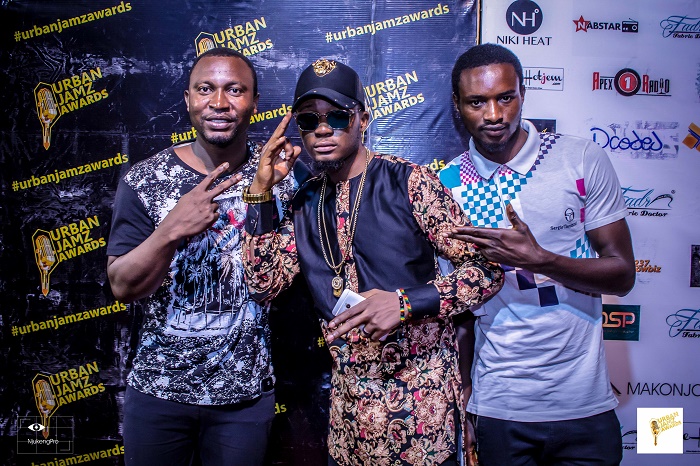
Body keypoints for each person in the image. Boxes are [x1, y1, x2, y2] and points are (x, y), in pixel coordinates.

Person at [242, 58, 504, 466]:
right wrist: (260, 191)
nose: (323, 130)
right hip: (349, 423)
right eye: (309, 120)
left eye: (337, 116)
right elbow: (263, 284)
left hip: (422, 417)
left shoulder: (411, 182)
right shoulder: (304, 202)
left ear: (362, 118)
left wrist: (405, 303)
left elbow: (486, 271)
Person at [439, 43, 635, 465]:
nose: (494, 114)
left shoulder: (579, 159)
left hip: (584, 404)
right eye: (477, 102)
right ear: (457, 105)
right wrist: (465, 396)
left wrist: (540, 259)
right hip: (499, 405)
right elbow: (457, 311)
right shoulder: (448, 185)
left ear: (523, 94)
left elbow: (622, 275)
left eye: (505, 97)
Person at [106, 48, 297, 466]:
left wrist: (262, 194)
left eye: (235, 90)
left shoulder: (280, 177)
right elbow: (122, 285)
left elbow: (278, 279)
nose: (219, 102)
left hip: (243, 398)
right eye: (206, 89)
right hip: (159, 392)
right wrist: (172, 228)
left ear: (254, 102)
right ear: (189, 99)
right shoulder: (147, 179)